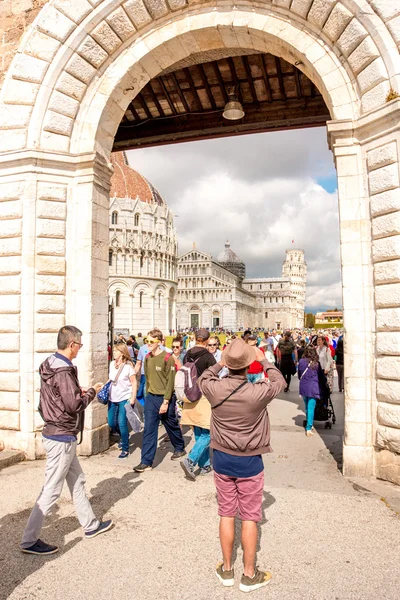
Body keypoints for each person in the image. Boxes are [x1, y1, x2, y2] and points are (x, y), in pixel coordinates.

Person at [199, 338, 285, 592]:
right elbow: (280, 382)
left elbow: (204, 376)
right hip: (249, 459)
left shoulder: (214, 389)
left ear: (228, 364)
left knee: (226, 512)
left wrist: (221, 362)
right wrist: (263, 359)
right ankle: (249, 574)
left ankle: (227, 570)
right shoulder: (257, 392)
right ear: (248, 365)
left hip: (222, 458)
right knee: (249, 517)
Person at [20, 326, 112, 556]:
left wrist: (76, 391)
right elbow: (73, 405)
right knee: (52, 488)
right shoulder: (63, 370)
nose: (80, 349)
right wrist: (90, 391)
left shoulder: (50, 364)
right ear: (71, 344)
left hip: (56, 431)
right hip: (62, 435)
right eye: (79, 345)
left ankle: (90, 525)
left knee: (77, 480)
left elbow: (56, 398)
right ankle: (29, 540)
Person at [133, 329, 186, 472]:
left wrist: (166, 401)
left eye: (151, 341)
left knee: (171, 424)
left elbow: (170, 382)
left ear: (159, 342)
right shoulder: (148, 357)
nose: (148, 344)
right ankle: (146, 462)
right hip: (151, 397)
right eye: (147, 341)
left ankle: (180, 447)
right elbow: (148, 378)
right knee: (149, 429)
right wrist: (148, 395)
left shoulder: (167, 358)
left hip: (165, 398)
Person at [180, 329, 216, 480]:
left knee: (198, 432)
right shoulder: (208, 357)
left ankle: (205, 464)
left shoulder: (187, 354)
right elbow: (214, 378)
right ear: (207, 341)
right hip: (203, 397)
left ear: (195, 338)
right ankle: (190, 459)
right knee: (207, 434)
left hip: (189, 396)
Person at [108, 342, 137, 459]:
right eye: (113, 351)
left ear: (122, 352)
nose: (113, 352)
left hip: (124, 398)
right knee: (111, 423)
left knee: (122, 422)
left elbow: (134, 383)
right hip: (112, 397)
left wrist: (133, 397)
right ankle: (123, 437)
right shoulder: (111, 364)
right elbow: (111, 379)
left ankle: (125, 448)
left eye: (116, 351)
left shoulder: (128, 367)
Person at [297, 346, 321, 437]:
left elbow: (299, 374)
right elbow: (320, 376)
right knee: (311, 408)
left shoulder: (301, 361)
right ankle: (308, 427)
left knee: (307, 407)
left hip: (303, 386)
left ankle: (308, 421)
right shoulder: (316, 363)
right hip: (313, 387)